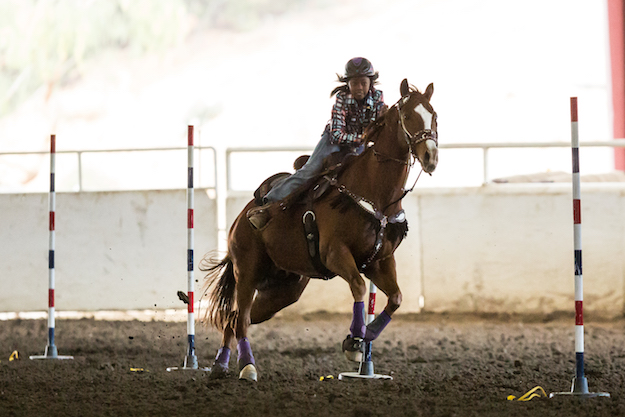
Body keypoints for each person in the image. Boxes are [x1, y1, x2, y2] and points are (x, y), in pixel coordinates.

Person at [247, 57, 387, 229]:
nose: (359, 88)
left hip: (358, 144)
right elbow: (337, 134)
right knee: (310, 171)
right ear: (347, 84)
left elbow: (377, 127)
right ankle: (268, 203)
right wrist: (363, 138)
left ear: (371, 83)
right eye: (355, 83)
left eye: (363, 83)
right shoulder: (342, 99)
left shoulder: (379, 99)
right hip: (333, 142)